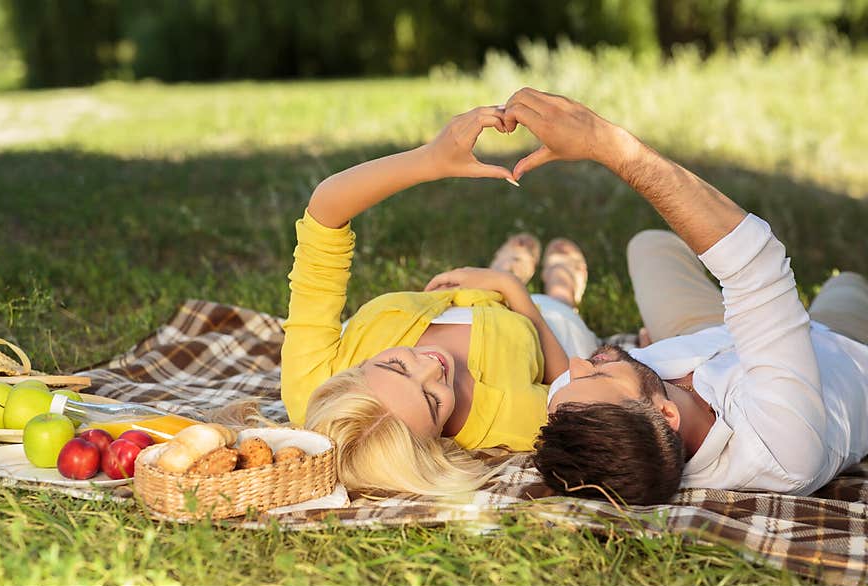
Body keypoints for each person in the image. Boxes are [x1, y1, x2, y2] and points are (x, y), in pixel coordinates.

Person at [500, 87, 868, 505]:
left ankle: (766, 312)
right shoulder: (780, 451)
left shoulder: (575, 401)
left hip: (711, 332)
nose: (577, 365)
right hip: (843, 350)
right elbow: (756, 262)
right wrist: (606, 143)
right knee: (847, 285)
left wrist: (653, 356)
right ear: (665, 415)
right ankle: (822, 299)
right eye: (598, 375)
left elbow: (577, 382)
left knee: (648, 245)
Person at [281, 106, 599, 497]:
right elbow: (573, 393)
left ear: (354, 373)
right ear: (432, 445)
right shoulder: (503, 419)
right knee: (559, 311)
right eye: (433, 401)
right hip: (542, 325)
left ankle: (506, 268)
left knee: (483, 281)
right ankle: (558, 288)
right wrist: (513, 292)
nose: (432, 368)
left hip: (462, 296)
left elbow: (324, 217)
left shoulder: (312, 387)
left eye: (397, 365)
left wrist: (430, 159)